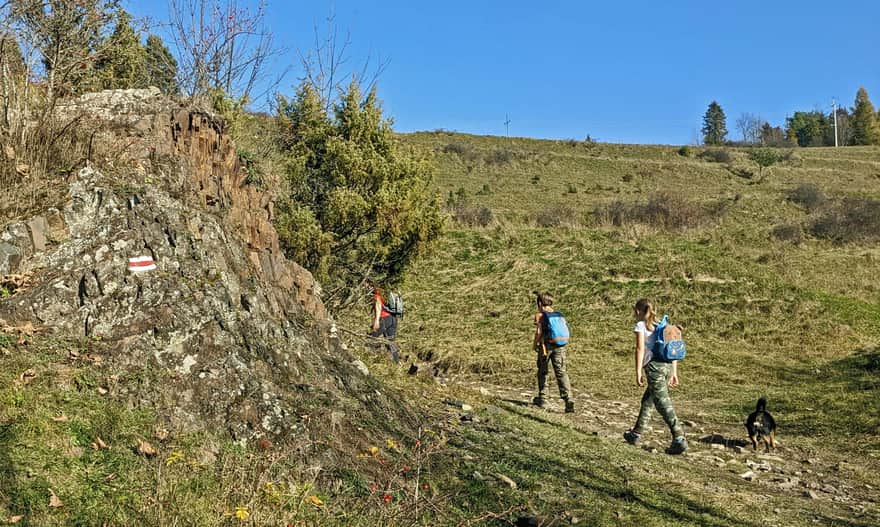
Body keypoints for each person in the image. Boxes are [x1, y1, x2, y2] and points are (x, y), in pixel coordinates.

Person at [623, 298, 688, 455]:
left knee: (662, 403)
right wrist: (673, 372)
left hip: (654, 368)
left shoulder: (641, 325)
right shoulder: (662, 324)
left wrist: (638, 371)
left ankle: (679, 438)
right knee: (648, 399)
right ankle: (636, 434)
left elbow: (639, 349)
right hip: (666, 366)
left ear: (638, 311)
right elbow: (672, 349)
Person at [531, 291, 575, 413]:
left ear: (539, 303)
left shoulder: (540, 315)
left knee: (543, 371)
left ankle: (543, 398)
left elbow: (539, 332)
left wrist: (535, 345)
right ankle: (568, 399)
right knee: (561, 372)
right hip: (560, 346)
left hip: (546, 347)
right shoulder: (559, 315)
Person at [367, 281, 399, 362]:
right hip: (393, 318)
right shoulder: (383, 291)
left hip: (384, 319)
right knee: (390, 342)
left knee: (370, 339)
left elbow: (378, 305)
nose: (365, 286)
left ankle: (368, 359)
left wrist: (377, 320)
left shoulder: (376, 293)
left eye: (366, 284)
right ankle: (396, 363)